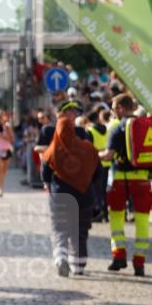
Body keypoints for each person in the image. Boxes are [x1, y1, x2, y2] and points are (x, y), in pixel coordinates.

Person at [41, 99, 99, 277]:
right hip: (85, 196)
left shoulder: (52, 150)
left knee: (60, 228)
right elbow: (97, 172)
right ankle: (78, 266)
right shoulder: (88, 148)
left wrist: (48, 184)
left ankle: (60, 258)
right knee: (80, 230)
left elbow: (45, 173)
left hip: (61, 195)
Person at [100, 93, 151, 276]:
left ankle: (119, 255)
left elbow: (108, 155)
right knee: (142, 220)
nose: (113, 112)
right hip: (142, 179)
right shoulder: (145, 126)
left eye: (114, 109)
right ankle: (139, 262)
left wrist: (95, 154)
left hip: (120, 179)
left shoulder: (117, 127)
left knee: (116, 216)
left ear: (121, 108)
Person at [0, 109, 14, 198]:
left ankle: (1, 185)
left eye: (1, 117)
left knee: (4, 171)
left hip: (7, 150)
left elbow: (12, 139)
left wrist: (4, 136)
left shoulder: (7, 126)